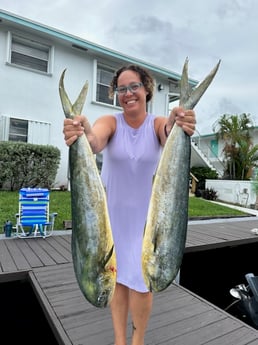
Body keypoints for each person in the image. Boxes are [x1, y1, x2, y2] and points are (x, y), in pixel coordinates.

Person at [63, 64, 196, 345]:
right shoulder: (111, 122)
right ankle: (119, 341)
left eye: (133, 86)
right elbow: (94, 139)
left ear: (146, 89)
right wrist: (81, 133)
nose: (128, 93)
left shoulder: (157, 123)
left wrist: (178, 124)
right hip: (111, 220)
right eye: (121, 89)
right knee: (116, 280)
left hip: (148, 222)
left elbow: (168, 132)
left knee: (143, 283)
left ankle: (138, 341)